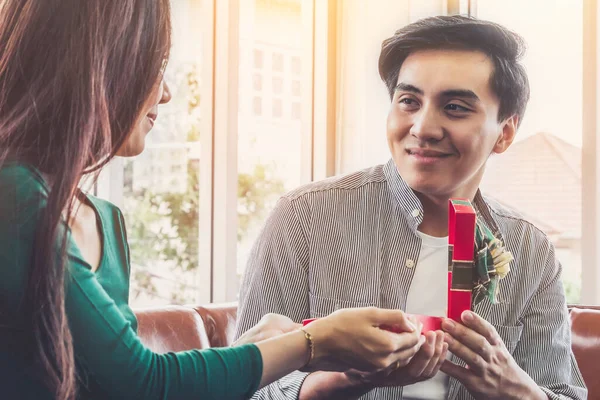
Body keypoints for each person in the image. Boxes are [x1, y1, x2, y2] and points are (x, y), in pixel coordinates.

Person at [0, 1, 427, 399]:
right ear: (96, 64)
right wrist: (311, 342)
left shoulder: (105, 221)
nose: (165, 93)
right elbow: (140, 381)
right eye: (155, 65)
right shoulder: (14, 197)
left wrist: (254, 349)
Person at [235, 15, 587, 400]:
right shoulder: (304, 217)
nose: (422, 127)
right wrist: (339, 382)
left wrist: (515, 390)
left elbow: (561, 393)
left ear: (505, 133)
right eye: (409, 101)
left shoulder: (531, 250)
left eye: (454, 107)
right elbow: (239, 385)